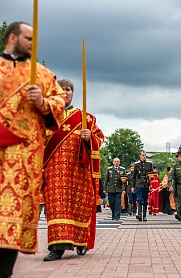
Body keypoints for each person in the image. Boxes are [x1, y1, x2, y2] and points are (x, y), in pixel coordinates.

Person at [0, 21, 65, 276]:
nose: (32, 43)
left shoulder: (42, 75)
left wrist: (43, 102)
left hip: (24, 160)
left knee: (11, 225)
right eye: (28, 38)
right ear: (13, 37)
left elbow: (59, 103)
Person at [42, 78, 104, 261]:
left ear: (72, 93)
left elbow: (100, 139)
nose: (65, 92)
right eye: (62, 89)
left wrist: (89, 137)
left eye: (68, 89)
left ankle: (81, 241)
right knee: (56, 209)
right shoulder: (47, 117)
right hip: (54, 173)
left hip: (78, 172)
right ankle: (57, 247)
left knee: (79, 208)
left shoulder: (86, 118)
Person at [132, 150, 153, 221]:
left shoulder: (149, 164)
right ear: (140, 156)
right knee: (140, 199)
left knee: (145, 200)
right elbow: (133, 176)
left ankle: (144, 216)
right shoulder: (136, 165)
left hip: (146, 184)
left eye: (145, 155)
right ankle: (139, 214)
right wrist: (132, 186)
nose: (144, 157)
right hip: (138, 184)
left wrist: (151, 178)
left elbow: (151, 174)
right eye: (143, 155)